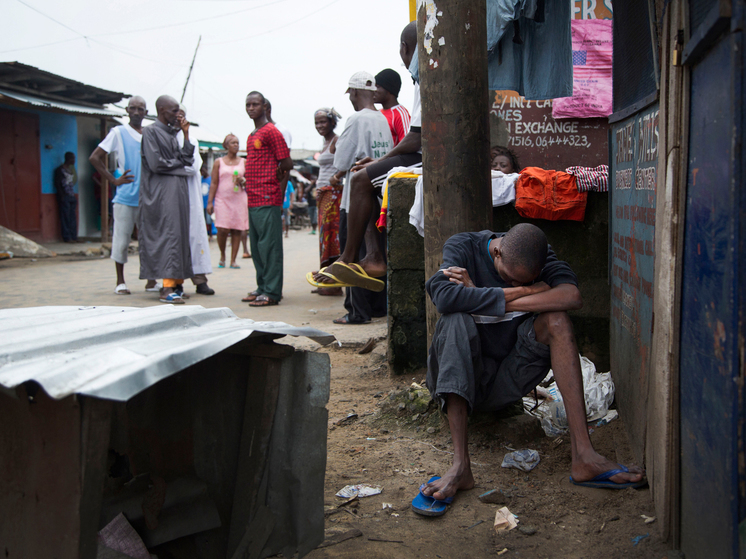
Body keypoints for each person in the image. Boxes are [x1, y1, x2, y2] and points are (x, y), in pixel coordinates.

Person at [417, 224, 645, 513]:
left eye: (526, 282)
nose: (516, 285)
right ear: (497, 251)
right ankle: (460, 465)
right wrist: (528, 291)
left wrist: (483, 297)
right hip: (462, 379)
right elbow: (444, 296)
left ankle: (584, 455)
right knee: (455, 320)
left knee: (557, 320)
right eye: (509, 279)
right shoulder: (463, 246)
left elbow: (571, 296)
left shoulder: (539, 256)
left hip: (507, 380)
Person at [314, 22, 422, 289]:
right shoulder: (382, 117)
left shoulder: (364, 117)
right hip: (407, 158)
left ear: (405, 48)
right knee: (371, 181)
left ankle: (348, 258)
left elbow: (415, 137)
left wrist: (379, 161)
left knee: (361, 180)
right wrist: (381, 161)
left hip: (418, 157)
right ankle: (372, 257)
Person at [310, 71, 393, 323]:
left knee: (353, 253)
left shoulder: (356, 119)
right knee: (376, 253)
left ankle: (357, 312)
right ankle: (378, 307)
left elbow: (342, 161)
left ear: (354, 93)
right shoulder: (382, 120)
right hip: (380, 199)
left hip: (355, 199)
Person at [89, 96, 159, 295]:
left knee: (149, 240)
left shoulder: (151, 133)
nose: (136, 112)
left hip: (148, 198)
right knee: (121, 240)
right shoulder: (118, 132)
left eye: (141, 109)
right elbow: (94, 157)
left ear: (146, 112)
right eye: (133, 108)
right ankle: (120, 282)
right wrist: (113, 179)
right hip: (125, 197)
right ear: (127, 111)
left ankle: (151, 281)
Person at [138, 95, 195, 304]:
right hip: (161, 194)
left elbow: (187, 159)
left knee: (179, 236)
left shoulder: (173, 134)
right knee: (168, 235)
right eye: (173, 111)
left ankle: (177, 284)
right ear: (162, 110)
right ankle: (166, 288)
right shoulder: (151, 132)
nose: (177, 115)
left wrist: (186, 134)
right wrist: (179, 165)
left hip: (177, 192)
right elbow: (156, 164)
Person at [241, 90, 293, 307]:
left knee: (270, 247)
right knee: (257, 247)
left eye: (255, 104)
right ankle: (262, 286)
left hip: (267, 196)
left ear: (264, 107)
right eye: (248, 105)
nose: (251, 108)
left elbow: (287, 163)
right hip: (252, 198)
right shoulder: (252, 135)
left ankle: (271, 292)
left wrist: (276, 177)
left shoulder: (271, 131)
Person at [175, 104, 215, 296]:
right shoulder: (164, 138)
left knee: (196, 236)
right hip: (172, 196)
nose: (179, 118)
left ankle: (200, 281)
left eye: (182, 115)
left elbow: (192, 167)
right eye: (175, 115)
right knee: (177, 238)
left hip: (190, 195)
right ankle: (176, 282)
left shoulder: (193, 140)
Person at [312, 107, 343, 296]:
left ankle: (334, 283)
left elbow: (346, 163)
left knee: (332, 238)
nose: (320, 126)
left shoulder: (337, 141)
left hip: (333, 195)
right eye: (317, 122)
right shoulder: (325, 142)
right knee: (325, 237)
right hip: (323, 194)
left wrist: (335, 178)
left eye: (323, 121)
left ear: (332, 122)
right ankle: (326, 278)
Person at [207, 133, 248, 269]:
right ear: (226, 145)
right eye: (233, 143)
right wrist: (209, 202)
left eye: (237, 142)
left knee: (237, 229)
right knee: (222, 229)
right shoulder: (219, 162)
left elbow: (249, 182)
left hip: (239, 199)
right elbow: (213, 183)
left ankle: (233, 260)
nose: (236, 145)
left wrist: (243, 181)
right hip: (222, 200)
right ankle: (222, 254)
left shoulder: (243, 162)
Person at [373, 68, 411, 146]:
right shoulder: (377, 113)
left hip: (391, 158)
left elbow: (408, 145)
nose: (374, 90)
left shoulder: (400, 114)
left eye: (378, 86)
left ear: (389, 90)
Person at [54, 152, 79, 243]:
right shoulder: (60, 170)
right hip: (64, 196)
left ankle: (74, 236)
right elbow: (57, 184)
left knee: (72, 217)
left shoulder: (70, 170)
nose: (74, 160)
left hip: (72, 195)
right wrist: (62, 196)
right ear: (69, 159)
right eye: (73, 158)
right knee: (65, 217)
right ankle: (67, 237)